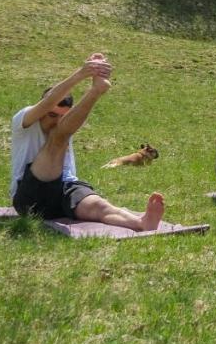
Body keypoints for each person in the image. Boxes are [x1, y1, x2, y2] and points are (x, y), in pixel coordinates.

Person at [10, 53, 165, 230]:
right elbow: (48, 102)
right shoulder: (23, 122)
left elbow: (68, 121)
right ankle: (96, 92)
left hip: (65, 189)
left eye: (62, 117)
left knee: (99, 206)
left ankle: (142, 223)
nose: (56, 122)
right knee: (59, 137)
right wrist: (81, 74)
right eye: (52, 115)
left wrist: (96, 77)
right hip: (30, 198)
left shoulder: (63, 127)